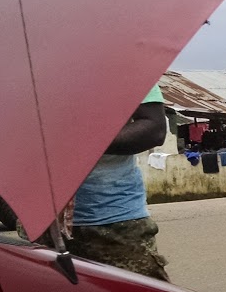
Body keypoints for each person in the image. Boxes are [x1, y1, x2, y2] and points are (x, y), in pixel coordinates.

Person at [66, 86, 170, 280]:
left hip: (113, 220)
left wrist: (76, 141)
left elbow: (154, 129)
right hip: (42, 224)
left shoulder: (120, 62)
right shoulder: (21, 67)